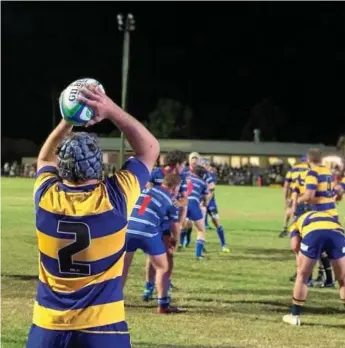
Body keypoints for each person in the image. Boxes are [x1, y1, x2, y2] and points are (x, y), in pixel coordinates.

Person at [26, 84, 160, 348]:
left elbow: (44, 160)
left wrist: (67, 120)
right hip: (102, 327)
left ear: (62, 168)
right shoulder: (115, 197)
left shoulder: (46, 198)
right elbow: (150, 149)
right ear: (98, 165)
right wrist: (111, 110)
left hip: (48, 328)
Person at [122, 173, 181, 313]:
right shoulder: (172, 200)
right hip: (148, 231)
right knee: (162, 267)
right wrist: (175, 240)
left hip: (129, 228)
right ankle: (162, 305)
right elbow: (174, 225)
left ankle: (115, 302)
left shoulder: (146, 190)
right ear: (175, 187)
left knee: (123, 267)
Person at [283, 211, 345, 326]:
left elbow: (295, 245)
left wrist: (300, 262)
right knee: (343, 279)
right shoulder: (329, 217)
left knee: (302, 276)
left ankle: (295, 316)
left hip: (313, 234)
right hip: (337, 234)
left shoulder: (296, 222)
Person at [141, 150, 188, 301]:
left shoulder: (183, 178)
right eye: (183, 164)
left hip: (170, 220)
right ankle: (148, 286)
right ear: (177, 164)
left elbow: (184, 200)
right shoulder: (155, 174)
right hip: (155, 221)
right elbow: (145, 194)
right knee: (152, 254)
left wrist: (177, 206)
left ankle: (165, 282)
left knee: (169, 253)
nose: (184, 168)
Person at [291, 148, 338, 287]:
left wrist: (298, 200)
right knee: (324, 249)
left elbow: (309, 195)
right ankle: (328, 279)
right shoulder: (328, 171)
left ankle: (308, 278)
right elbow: (331, 193)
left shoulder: (312, 172)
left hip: (319, 214)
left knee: (307, 246)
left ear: (308, 159)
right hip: (331, 213)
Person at [180, 165, 209, 259]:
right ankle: (198, 255)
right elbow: (205, 199)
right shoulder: (203, 183)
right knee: (201, 230)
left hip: (181, 203)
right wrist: (204, 204)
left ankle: (170, 249)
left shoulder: (185, 177)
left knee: (177, 227)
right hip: (193, 204)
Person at [279, 156, 310, 238]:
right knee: (303, 214)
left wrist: (286, 199)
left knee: (290, 211)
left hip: (293, 193)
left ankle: (285, 228)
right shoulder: (310, 169)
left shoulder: (293, 169)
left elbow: (286, 185)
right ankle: (299, 231)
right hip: (305, 194)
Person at [204, 162, 229, 253]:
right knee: (198, 225)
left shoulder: (211, 176)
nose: (206, 167)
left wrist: (206, 201)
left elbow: (211, 190)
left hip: (211, 204)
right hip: (200, 203)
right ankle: (197, 245)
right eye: (204, 165)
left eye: (207, 165)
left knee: (217, 222)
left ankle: (223, 245)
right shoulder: (197, 176)